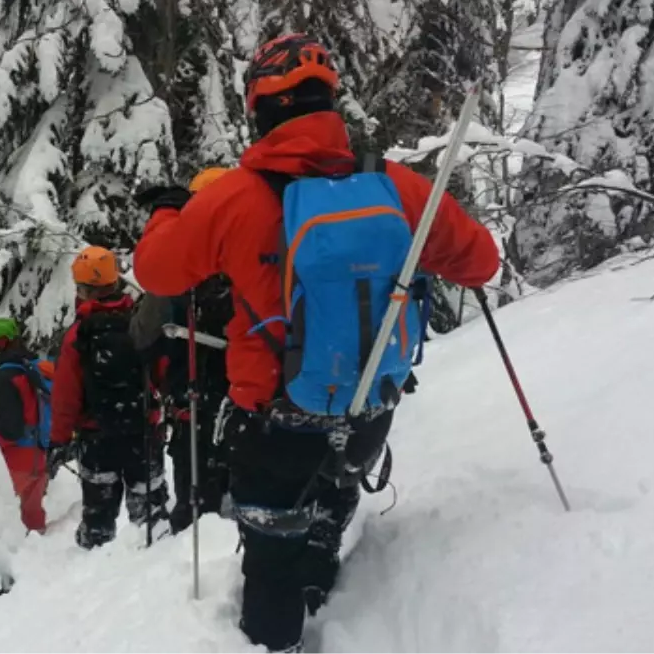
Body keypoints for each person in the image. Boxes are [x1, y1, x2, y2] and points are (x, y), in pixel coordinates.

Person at [132, 33, 500, 653]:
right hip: (367, 406)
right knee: (334, 495)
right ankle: (320, 577)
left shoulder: (233, 198)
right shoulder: (396, 188)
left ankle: (280, 636)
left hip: (276, 417)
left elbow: (156, 273)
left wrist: (169, 212)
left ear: (260, 108)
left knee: (271, 556)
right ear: (330, 103)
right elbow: (483, 261)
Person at [131, 167, 236, 534]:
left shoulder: (183, 267)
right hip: (252, 394)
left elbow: (143, 335)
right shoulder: (265, 247)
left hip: (197, 397)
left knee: (197, 502)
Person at [46, 246, 169, 549]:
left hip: (97, 436)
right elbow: (162, 371)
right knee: (151, 511)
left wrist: (59, 439)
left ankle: (95, 556)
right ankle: (154, 560)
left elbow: (66, 393)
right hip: (142, 431)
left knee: (99, 514)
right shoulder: (140, 324)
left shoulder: (79, 335)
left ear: (84, 290)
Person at [0, 317, 49, 533]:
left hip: (17, 458)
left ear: (0, 344)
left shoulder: (4, 377)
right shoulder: (32, 367)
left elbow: (10, 429)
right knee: (34, 523)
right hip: (40, 455)